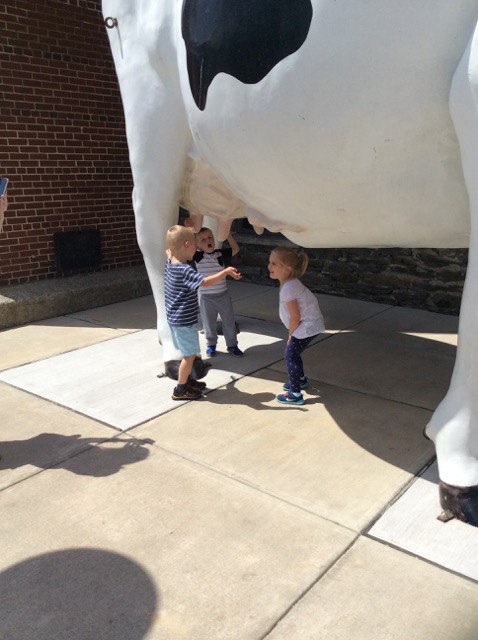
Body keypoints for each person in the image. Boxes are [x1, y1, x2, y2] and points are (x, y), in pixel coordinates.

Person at [165, 225, 242, 400]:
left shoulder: (170, 262)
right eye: (193, 244)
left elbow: (169, 251)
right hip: (184, 321)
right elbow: (205, 282)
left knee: (188, 354)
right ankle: (180, 389)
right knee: (189, 356)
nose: (196, 247)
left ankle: (188, 380)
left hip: (175, 320)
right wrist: (225, 272)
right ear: (186, 245)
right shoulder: (184, 270)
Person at [268, 247, 325, 406]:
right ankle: (299, 379)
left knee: (290, 354)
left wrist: (291, 335)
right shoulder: (289, 283)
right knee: (293, 352)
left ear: (287, 269)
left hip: (307, 324)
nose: (269, 267)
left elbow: (295, 316)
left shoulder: (288, 288)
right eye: (269, 262)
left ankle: (295, 393)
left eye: (274, 264)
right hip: (309, 322)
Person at [194, 227, 243, 357]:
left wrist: (227, 234)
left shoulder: (220, 254)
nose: (208, 240)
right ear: (197, 245)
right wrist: (189, 230)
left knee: (229, 321)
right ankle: (211, 345)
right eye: (203, 239)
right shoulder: (197, 256)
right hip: (206, 297)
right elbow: (185, 247)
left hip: (223, 295)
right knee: (208, 323)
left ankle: (232, 345)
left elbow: (236, 249)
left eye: (210, 237)